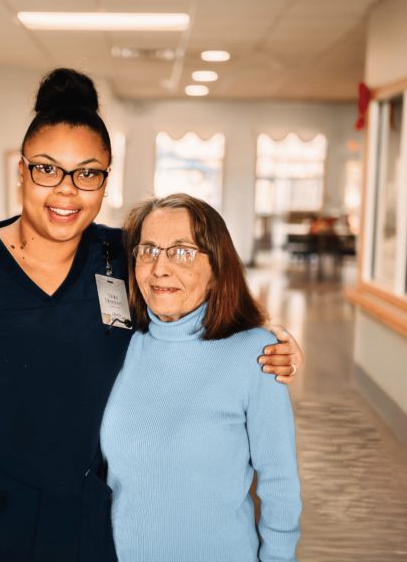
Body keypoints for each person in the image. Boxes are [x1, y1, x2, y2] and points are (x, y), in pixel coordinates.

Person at [0, 68, 303, 562]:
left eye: (87, 172)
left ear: (105, 180)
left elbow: (195, 292)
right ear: (22, 170)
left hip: (72, 529)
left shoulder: (124, 255)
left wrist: (273, 336)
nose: (67, 190)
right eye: (47, 169)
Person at [101, 193, 300, 561]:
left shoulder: (257, 354)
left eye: (182, 252)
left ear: (217, 269)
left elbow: (279, 484)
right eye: (148, 250)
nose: (160, 268)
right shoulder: (118, 346)